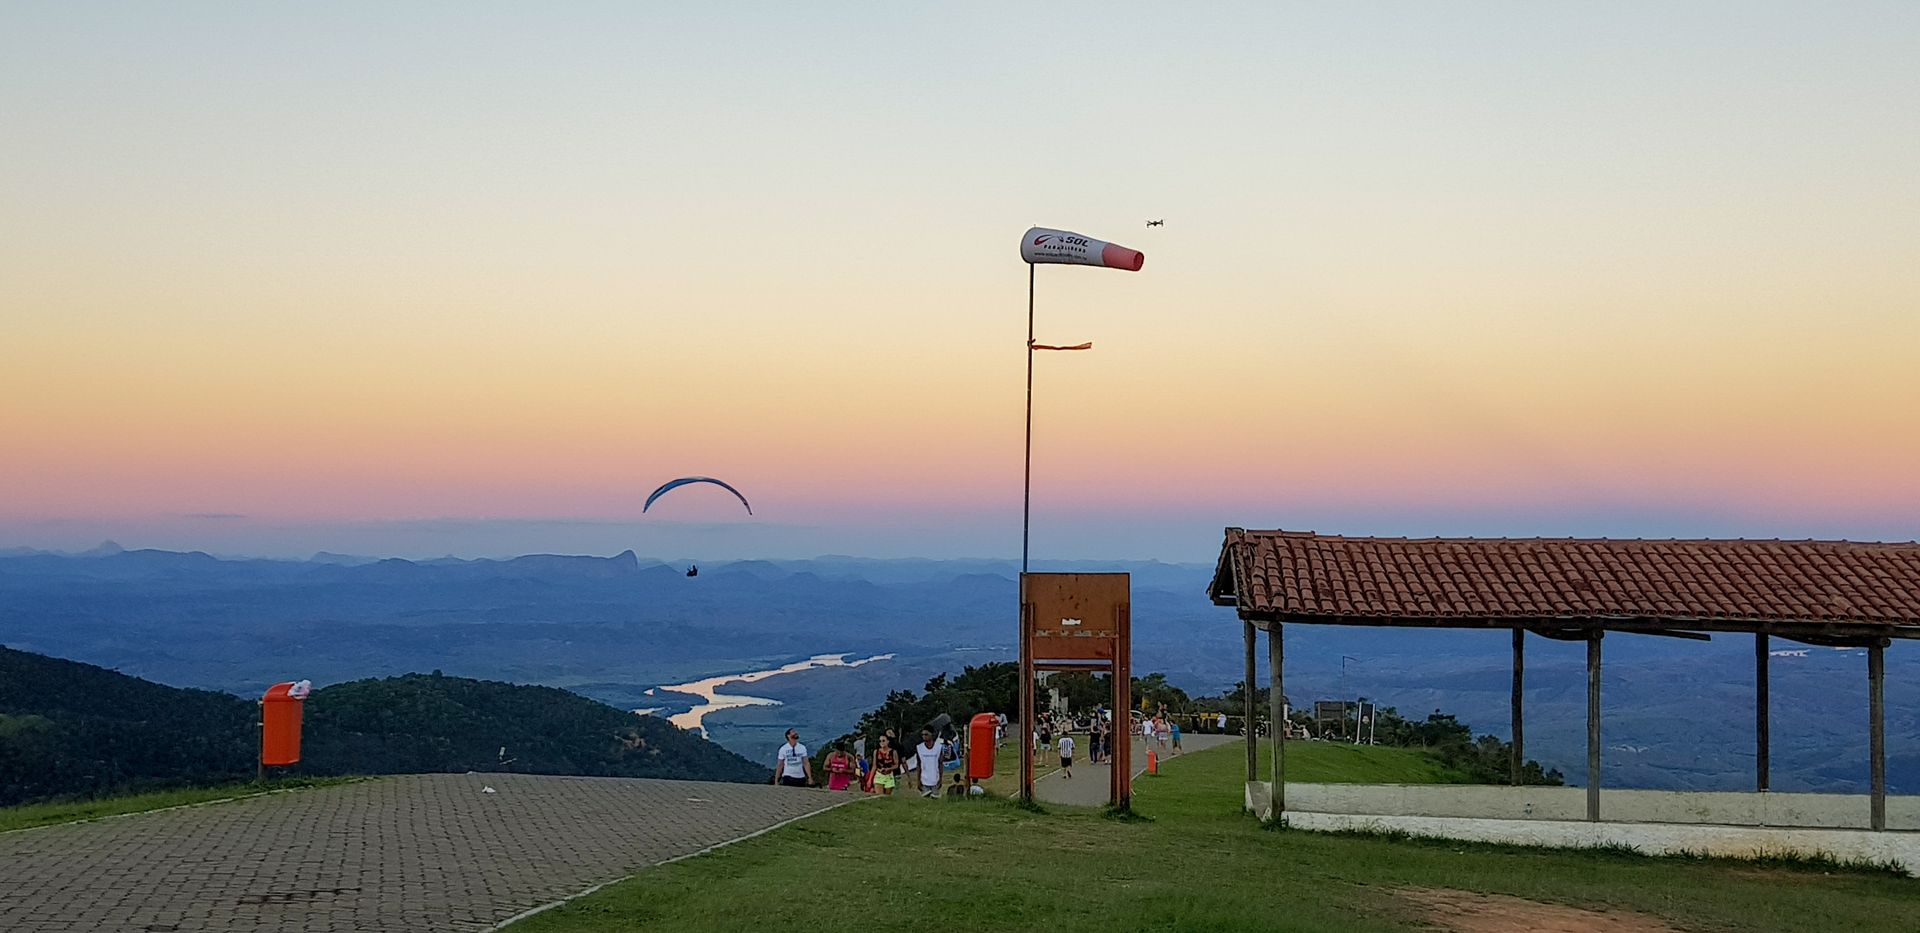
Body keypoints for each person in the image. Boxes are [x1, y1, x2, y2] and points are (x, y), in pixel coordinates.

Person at [913, 729, 946, 798]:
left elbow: (940, 764)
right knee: (926, 800)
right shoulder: (919, 747)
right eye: (922, 735)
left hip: (935, 780)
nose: (924, 736)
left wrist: (940, 779)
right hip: (924, 780)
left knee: (935, 799)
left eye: (926, 734)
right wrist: (918, 780)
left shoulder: (938, 747)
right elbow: (918, 764)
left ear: (932, 735)